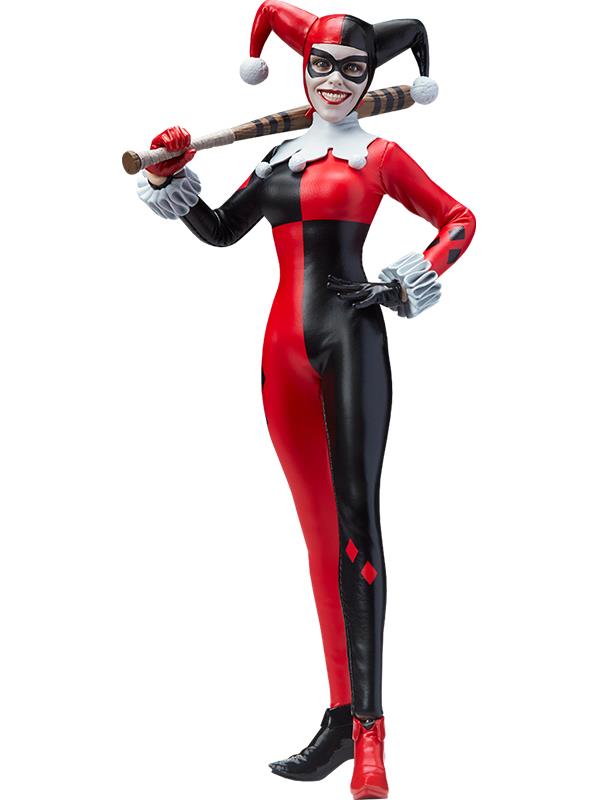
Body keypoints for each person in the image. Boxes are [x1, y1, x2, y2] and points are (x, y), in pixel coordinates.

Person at [135, 3, 475, 797]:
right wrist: (165, 177)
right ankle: (339, 718)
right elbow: (221, 231)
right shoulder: (278, 159)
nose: (334, 81)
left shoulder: (381, 156)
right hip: (280, 355)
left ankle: (371, 737)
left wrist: (404, 281)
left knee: (358, 530)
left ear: (372, 77)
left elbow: (458, 220)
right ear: (302, 68)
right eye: (321, 65)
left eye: (353, 70)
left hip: (350, 344)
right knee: (320, 538)